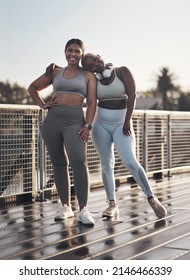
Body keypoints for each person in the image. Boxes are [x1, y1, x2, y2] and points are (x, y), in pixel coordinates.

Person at [45, 52, 167, 220]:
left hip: (121, 123)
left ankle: (151, 197)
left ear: (100, 56)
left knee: (129, 160)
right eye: (90, 65)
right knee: (106, 164)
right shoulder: (93, 79)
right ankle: (112, 204)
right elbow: (74, 74)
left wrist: (127, 121)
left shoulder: (122, 72)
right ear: (88, 69)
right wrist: (55, 67)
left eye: (95, 59)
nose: (95, 64)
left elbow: (132, 96)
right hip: (100, 124)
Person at [28, 39, 97, 226]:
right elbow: (32, 88)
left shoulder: (88, 75)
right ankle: (66, 206)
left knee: (79, 163)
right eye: (69, 50)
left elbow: (91, 103)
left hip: (75, 122)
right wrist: (43, 104)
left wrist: (88, 125)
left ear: (82, 54)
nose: (72, 54)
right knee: (59, 164)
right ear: (65, 52)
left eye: (77, 51)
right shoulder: (56, 72)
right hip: (52, 122)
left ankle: (83, 209)